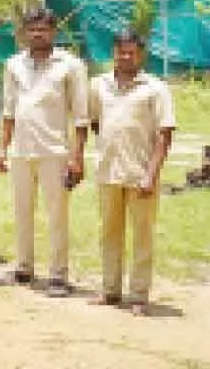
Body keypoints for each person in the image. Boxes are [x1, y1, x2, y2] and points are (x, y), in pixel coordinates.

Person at [0, 8, 89, 297]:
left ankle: (58, 275)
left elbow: (81, 117)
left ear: (53, 31)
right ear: (25, 32)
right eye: (32, 29)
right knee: (22, 212)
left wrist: (77, 157)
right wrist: (2, 147)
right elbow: (9, 111)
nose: (38, 34)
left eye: (43, 29)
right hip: (22, 151)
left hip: (55, 152)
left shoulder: (70, 66)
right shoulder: (13, 65)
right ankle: (24, 267)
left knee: (57, 215)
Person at [88, 30, 176, 317]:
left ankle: (139, 295)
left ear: (141, 55)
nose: (126, 56)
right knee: (109, 233)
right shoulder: (98, 85)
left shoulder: (155, 88)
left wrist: (151, 174)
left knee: (142, 235)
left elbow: (164, 135)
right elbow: (96, 123)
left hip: (141, 174)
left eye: (132, 52)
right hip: (108, 172)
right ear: (113, 52)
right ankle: (110, 290)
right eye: (121, 51)